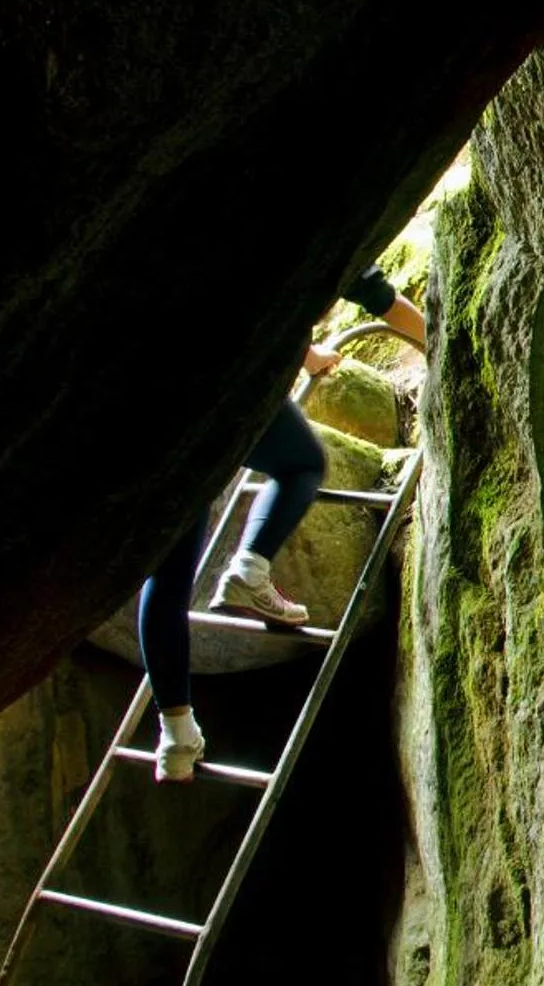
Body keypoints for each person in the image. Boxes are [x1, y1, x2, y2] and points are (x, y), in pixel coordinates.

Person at [141, 268, 425, 781]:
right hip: (226, 388)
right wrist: (437, 342)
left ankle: (175, 734)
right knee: (302, 464)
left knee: (165, 575)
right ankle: (249, 568)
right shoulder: (324, 226)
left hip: (154, 399)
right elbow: (376, 296)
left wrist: (306, 353)